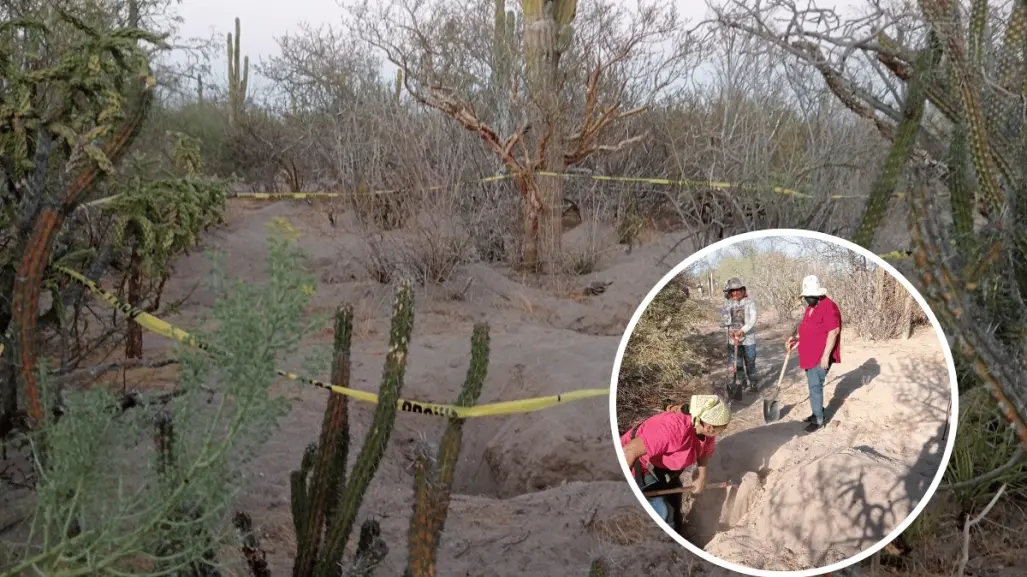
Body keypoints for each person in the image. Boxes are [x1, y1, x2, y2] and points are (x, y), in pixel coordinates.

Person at [620, 395, 731, 526]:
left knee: (675, 502)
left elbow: (704, 453)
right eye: (722, 428)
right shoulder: (673, 429)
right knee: (663, 513)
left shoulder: (706, 432)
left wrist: (701, 478)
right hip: (640, 465)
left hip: (663, 466)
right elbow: (629, 451)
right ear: (709, 427)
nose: (722, 431)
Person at [785, 275, 842, 433]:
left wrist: (826, 356)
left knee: (815, 386)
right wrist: (796, 340)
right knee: (812, 385)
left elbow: (834, 331)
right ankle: (816, 412)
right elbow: (807, 330)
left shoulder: (829, 306)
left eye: (809, 296)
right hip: (809, 354)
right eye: (805, 297)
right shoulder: (811, 307)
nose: (806, 299)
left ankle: (818, 419)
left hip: (821, 355)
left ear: (817, 294)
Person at [722, 278, 759, 394]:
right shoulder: (726, 305)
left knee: (750, 362)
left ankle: (753, 382)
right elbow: (723, 320)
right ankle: (742, 383)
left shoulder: (750, 302)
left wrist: (743, 330)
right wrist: (729, 331)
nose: (735, 293)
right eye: (732, 291)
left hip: (748, 339)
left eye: (738, 290)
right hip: (733, 341)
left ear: (743, 290)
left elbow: (753, 318)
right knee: (737, 364)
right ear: (729, 293)